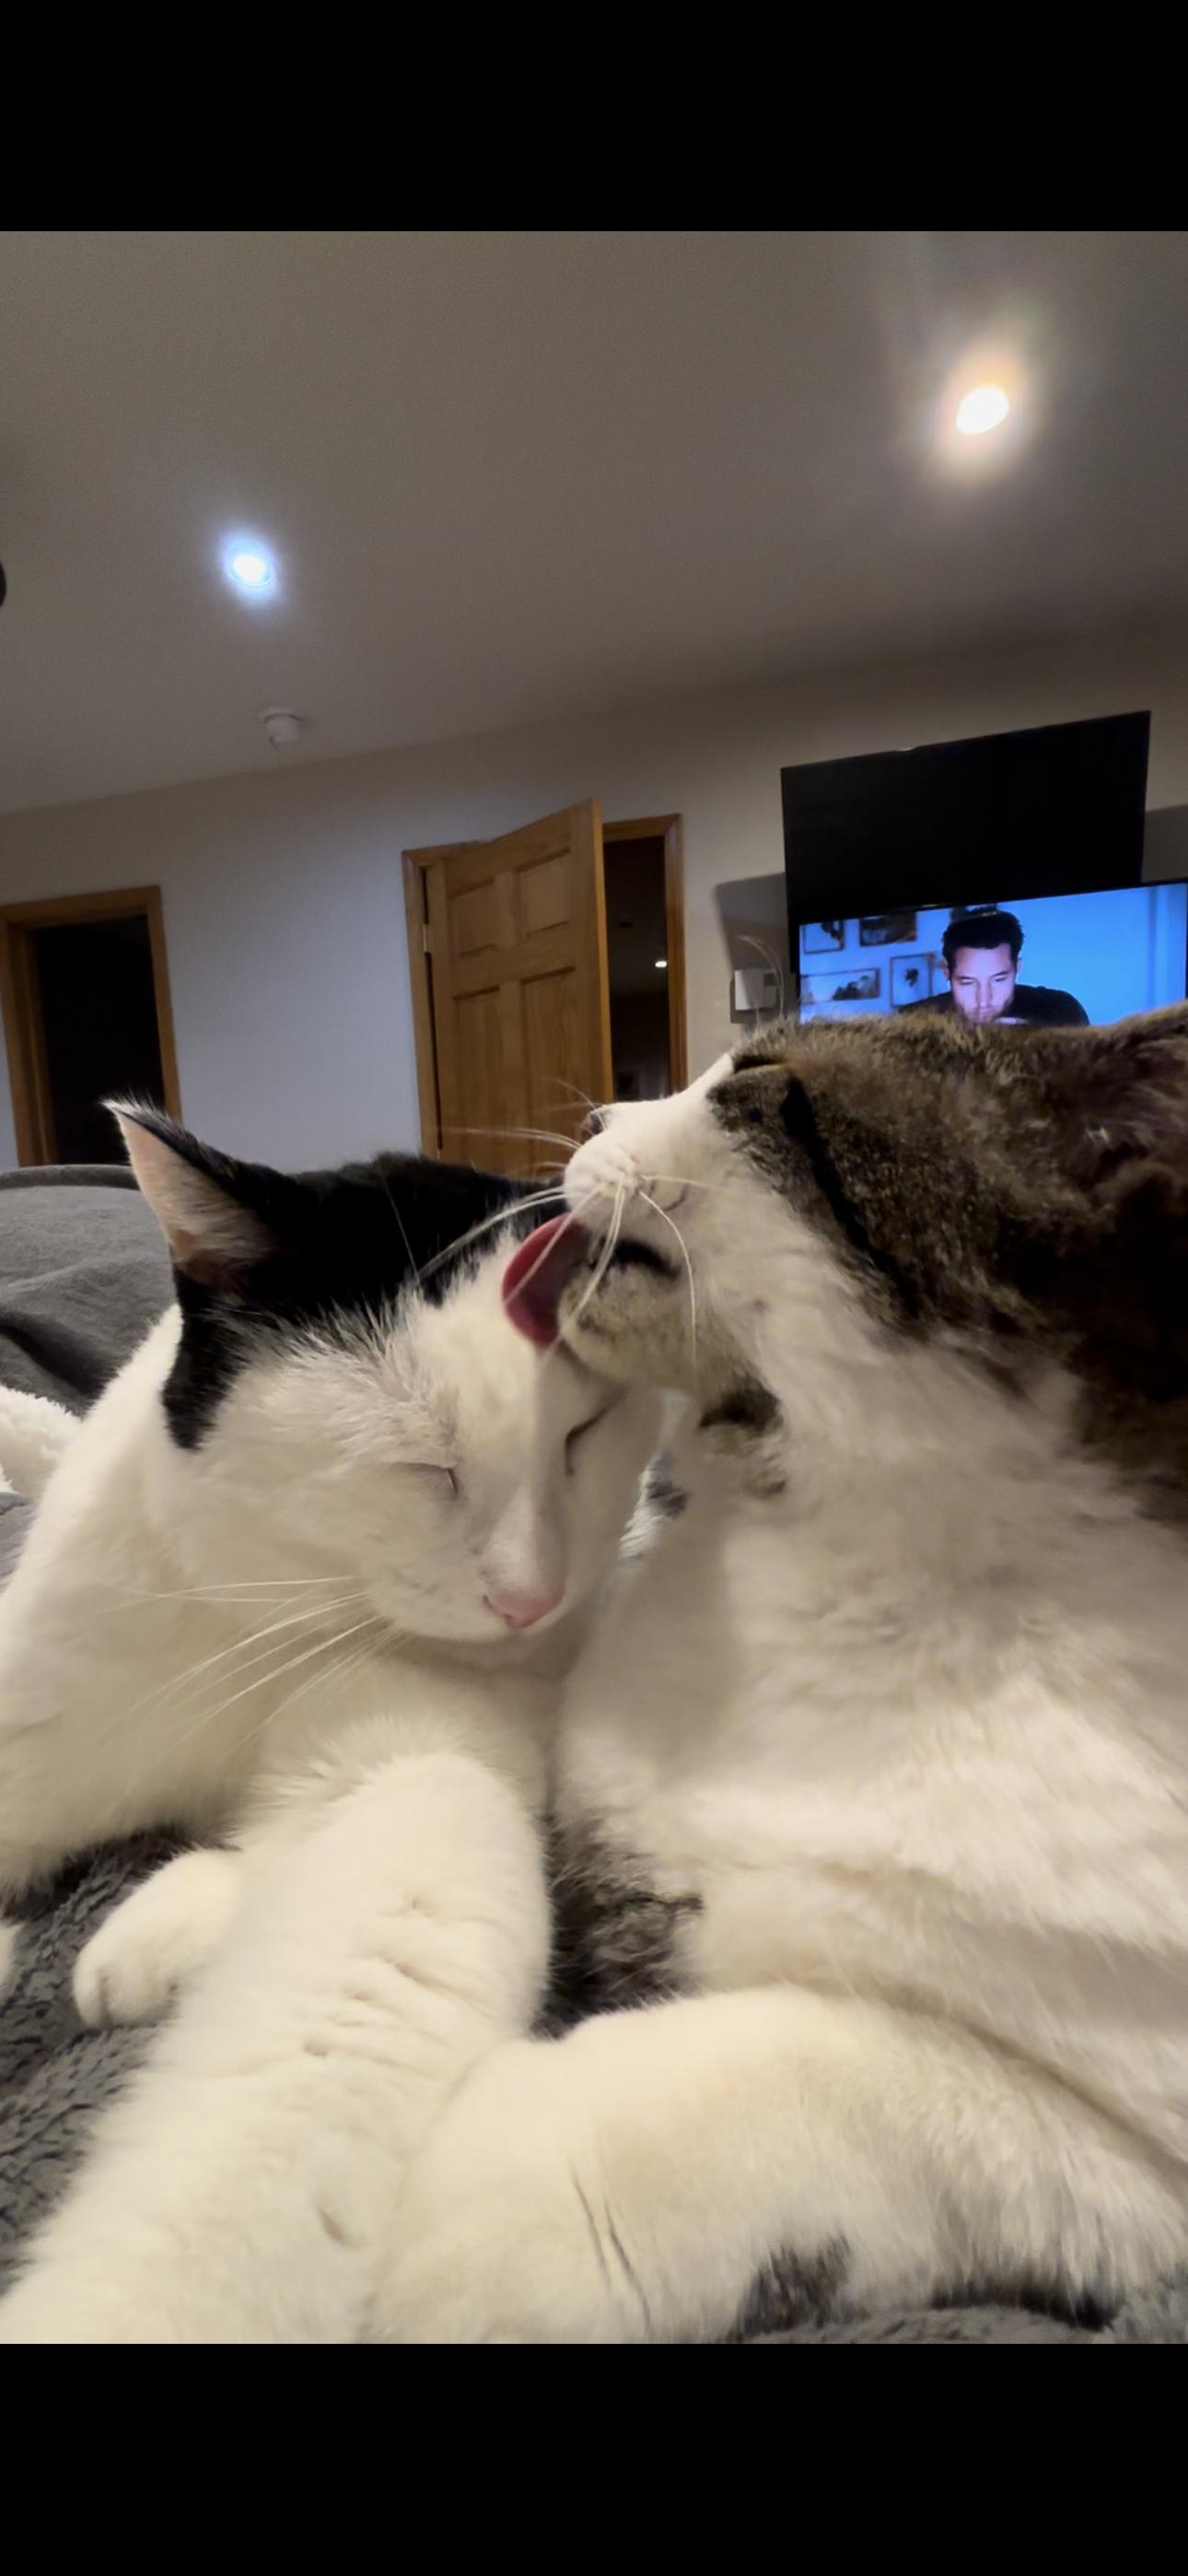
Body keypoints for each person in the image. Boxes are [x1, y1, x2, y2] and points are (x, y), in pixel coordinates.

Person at [909, 909, 1089, 1028]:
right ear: (947, 974)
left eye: (998, 980)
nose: (984, 999)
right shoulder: (911, 1023)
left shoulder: (1062, 1012)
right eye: (968, 982)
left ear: (1017, 969)